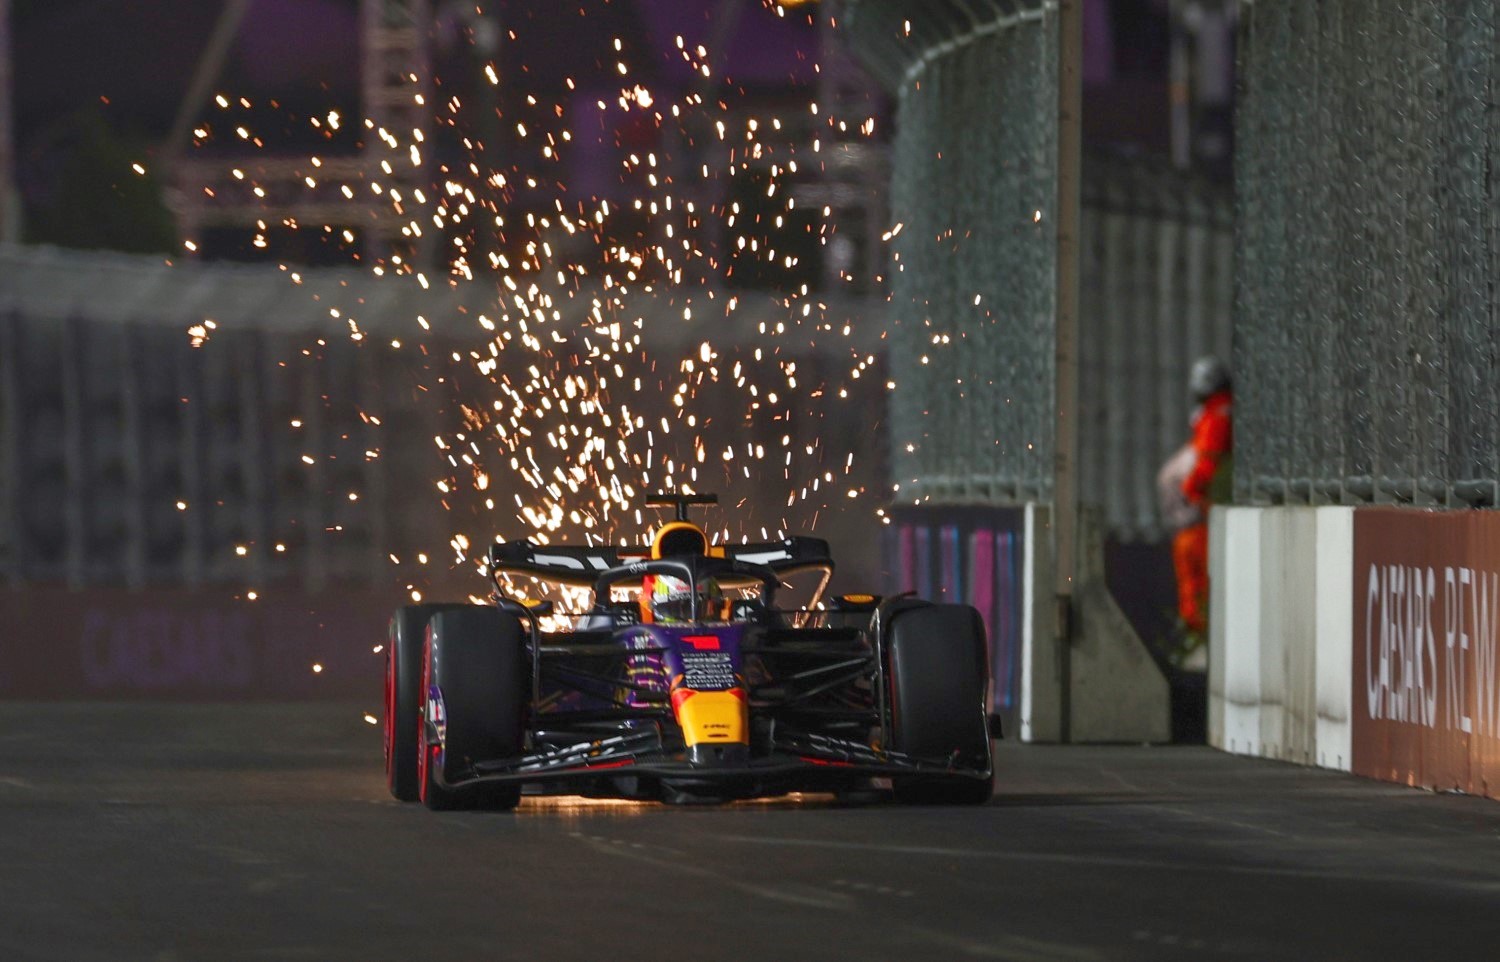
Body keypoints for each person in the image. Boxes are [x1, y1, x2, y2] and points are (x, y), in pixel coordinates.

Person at [1159, 355, 1232, 657]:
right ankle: (1196, 634)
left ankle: (1199, 637)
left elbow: (1209, 460)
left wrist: (1190, 490)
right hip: (1196, 517)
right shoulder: (1213, 415)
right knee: (1194, 579)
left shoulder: (1218, 416)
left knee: (1198, 581)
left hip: (1200, 517)